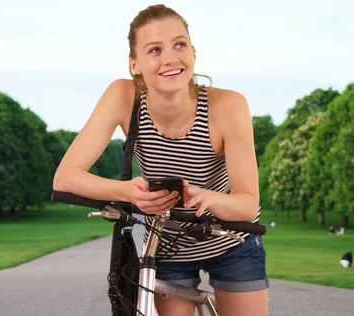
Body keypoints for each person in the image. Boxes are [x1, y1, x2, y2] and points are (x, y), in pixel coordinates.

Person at [53, 4, 268, 315]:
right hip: (168, 244)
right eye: (154, 50)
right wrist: (128, 192)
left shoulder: (229, 106)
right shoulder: (122, 97)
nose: (170, 58)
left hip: (231, 239)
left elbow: (247, 204)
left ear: (193, 53)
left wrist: (203, 197)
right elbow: (66, 176)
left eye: (179, 44)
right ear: (135, 65)